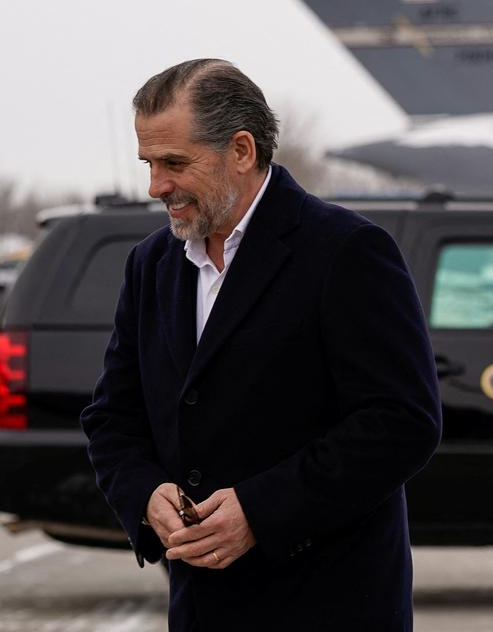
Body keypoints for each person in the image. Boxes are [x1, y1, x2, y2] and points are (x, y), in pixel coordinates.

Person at [80, 58, 441, 632]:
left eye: (175, 163)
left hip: (330, 607)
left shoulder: (346, 251)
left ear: (242, 150)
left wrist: (260, 511)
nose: (156, 186)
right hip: (202, 608)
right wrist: (145, 493)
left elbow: (402, 422)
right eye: (149, 163)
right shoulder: (152, 263)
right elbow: (112, 417)